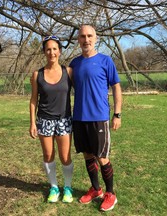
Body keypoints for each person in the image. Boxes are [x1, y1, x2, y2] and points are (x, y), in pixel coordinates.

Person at [69, 24, 122, 211]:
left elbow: (116, 87)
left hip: (99, 118)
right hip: (79, 118)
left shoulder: (105, 61)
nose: (86, 40)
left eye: (89, 36)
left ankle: (110, 193)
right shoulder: (74, 64)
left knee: (102, 157)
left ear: (96, 38)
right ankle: (96, 189)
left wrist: (117, 114)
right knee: (87, 155)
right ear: (78, 40)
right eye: (82, 36)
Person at [29, 35, 74, 203]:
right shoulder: (37, 74)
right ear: (44, 52)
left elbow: (82, 90)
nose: (52, 52)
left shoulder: (68, 72)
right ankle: (54, 187)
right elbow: (34, 100)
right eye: (48, 49)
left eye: (55, 48)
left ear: (60, 51)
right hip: (44, 120)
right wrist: (33, 122)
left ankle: (67, 187)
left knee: (65, 156)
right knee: (48, 155)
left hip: (64, 120)